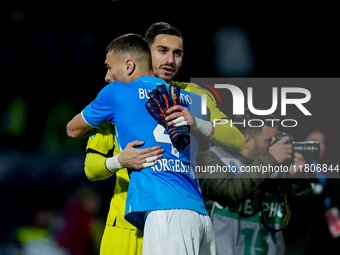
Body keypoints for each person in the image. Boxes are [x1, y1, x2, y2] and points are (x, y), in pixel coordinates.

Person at [83, 22, 245, 255]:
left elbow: (237, 140)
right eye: (162, 51)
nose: (170, 59)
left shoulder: (193, 96)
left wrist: (198, 123)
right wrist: (119, 160)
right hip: (125, 227)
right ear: (144, 52)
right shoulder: (119, 97)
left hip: (174, 215)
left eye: (177, 53)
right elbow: (91, 168)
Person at [199, 109, 314, 255]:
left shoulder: (276, 168)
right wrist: (270, 159)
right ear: (247, 141)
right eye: (269, 141)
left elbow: (305, 215)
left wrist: (298, 178)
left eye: (276, 139)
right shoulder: (214, 157)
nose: (275, 146)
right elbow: (228, 190)